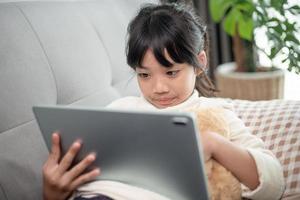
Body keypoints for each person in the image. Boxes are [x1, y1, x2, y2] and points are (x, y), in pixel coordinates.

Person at [42, 3, 285, 200]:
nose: (158, 88)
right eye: (144, 75)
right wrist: (52, 192)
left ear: (199, 62)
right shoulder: (119, 110)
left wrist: (214, 144)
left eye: (171, 72)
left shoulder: (214, 114)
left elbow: (274, 183)